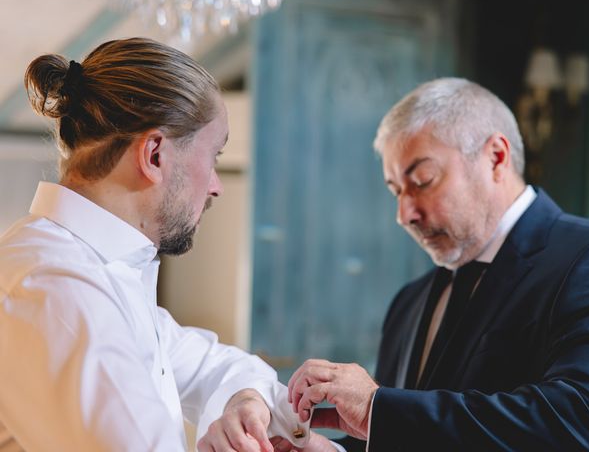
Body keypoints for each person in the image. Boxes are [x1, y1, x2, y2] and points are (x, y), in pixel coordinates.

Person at [0, 37, 340, 452]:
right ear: (155, 154)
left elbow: (214, 366)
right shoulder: (58, 286)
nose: (215, 187)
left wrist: (245, 402)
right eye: (213, 155)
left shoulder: (101, 271)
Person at [287, 78, 589, 451]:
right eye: (396, 191)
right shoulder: (409, 302)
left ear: (496, 157)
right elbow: (414, 433)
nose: (404, 214)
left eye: (422, 181)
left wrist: (378, 409)